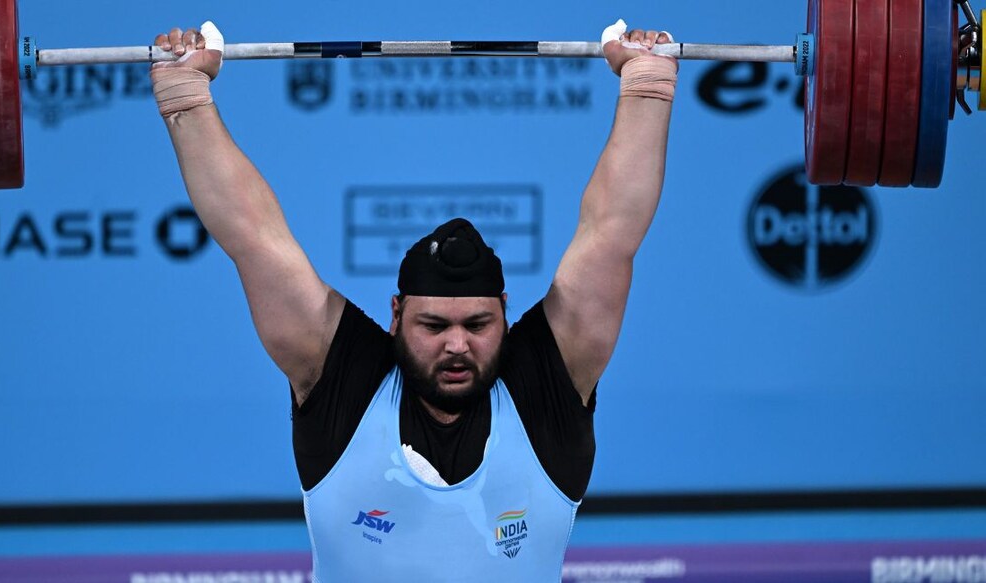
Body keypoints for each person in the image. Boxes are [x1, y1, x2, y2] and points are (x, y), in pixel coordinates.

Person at [150, 20, 677, 582]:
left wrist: (646, 88)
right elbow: (254, 238)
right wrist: (185, 96)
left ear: (504, 310)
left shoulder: (546, 384)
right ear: (396, 314)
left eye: (478, 324)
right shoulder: (341, 377)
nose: (457, 344)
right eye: (434, 325)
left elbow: (611, 233)